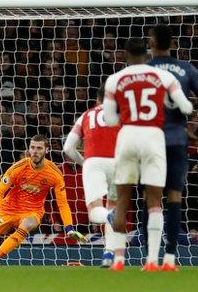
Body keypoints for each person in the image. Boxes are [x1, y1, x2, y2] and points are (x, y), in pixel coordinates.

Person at [103, 38, 193, 272]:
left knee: (122, 200)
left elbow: (110, 119)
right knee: (154, 200)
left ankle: (119, 261)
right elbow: (187, 108)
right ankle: (152, 261)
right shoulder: (163, 77)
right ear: (147, 54)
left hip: (128, 135)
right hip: (154, 136)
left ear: (125, 55)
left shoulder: (114, 79)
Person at [0, 134, 87, 266]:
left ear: (47, 150)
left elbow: (62, 203)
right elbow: (0, 191)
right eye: (32, 147)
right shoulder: (18, 168)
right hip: (8, 209)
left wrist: (69, 228)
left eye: (39, 148)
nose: (35, 151)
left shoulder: (55, 173)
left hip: (33, 211)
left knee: (27, 224)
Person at [147, 24, 198, 271]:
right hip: (177, 140)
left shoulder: (142, 70)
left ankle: (150, 259)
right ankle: (170, 259)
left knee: (152, 199)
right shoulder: (185, 69)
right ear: (173, 44)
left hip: (149, 140)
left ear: (151, 44)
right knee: (174, 198)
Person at [63, 86, 120, 267]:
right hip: (118, 164)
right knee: (112, 207)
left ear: (97, 99)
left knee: (96, 212)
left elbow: (68, 149)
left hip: (94, 162)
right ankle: (109, 254)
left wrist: (84, 163)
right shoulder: (123, 115)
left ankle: (110, 217)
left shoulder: (87, 115)